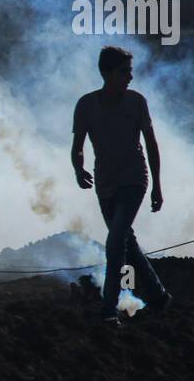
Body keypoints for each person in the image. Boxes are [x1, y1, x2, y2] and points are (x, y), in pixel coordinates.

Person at [72, 47, 172, 325]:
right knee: (126, 240)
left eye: (129, 71)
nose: (130, 76)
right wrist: (77, 168)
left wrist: (157, 186)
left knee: (115, 241)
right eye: (123, 72)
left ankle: (108, 309)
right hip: (105, 183)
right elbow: (77, 146)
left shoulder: (137, 102)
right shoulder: (86, 105)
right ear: (106, 73)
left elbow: (151, 145)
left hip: (134, 179)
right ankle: (159, 295)